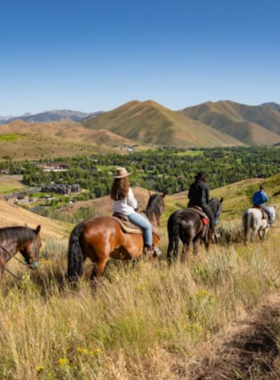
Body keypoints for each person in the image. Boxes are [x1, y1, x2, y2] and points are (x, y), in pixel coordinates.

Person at [110, 167, 156, 256]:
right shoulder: (128, 190)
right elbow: (133, 204)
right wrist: (136, 206)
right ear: (125, 178)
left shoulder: (113, 190)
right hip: (128, 214)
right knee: (148, 226)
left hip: (116, 214)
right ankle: (149, 250)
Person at [187, 171, 217, 239]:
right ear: (203, 178)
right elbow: (207, 198)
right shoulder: (205, 185)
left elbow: (189, 196)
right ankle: (212, 233)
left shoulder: (192, 185)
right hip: (202, 205)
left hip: (191, 205)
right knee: (211, 216)